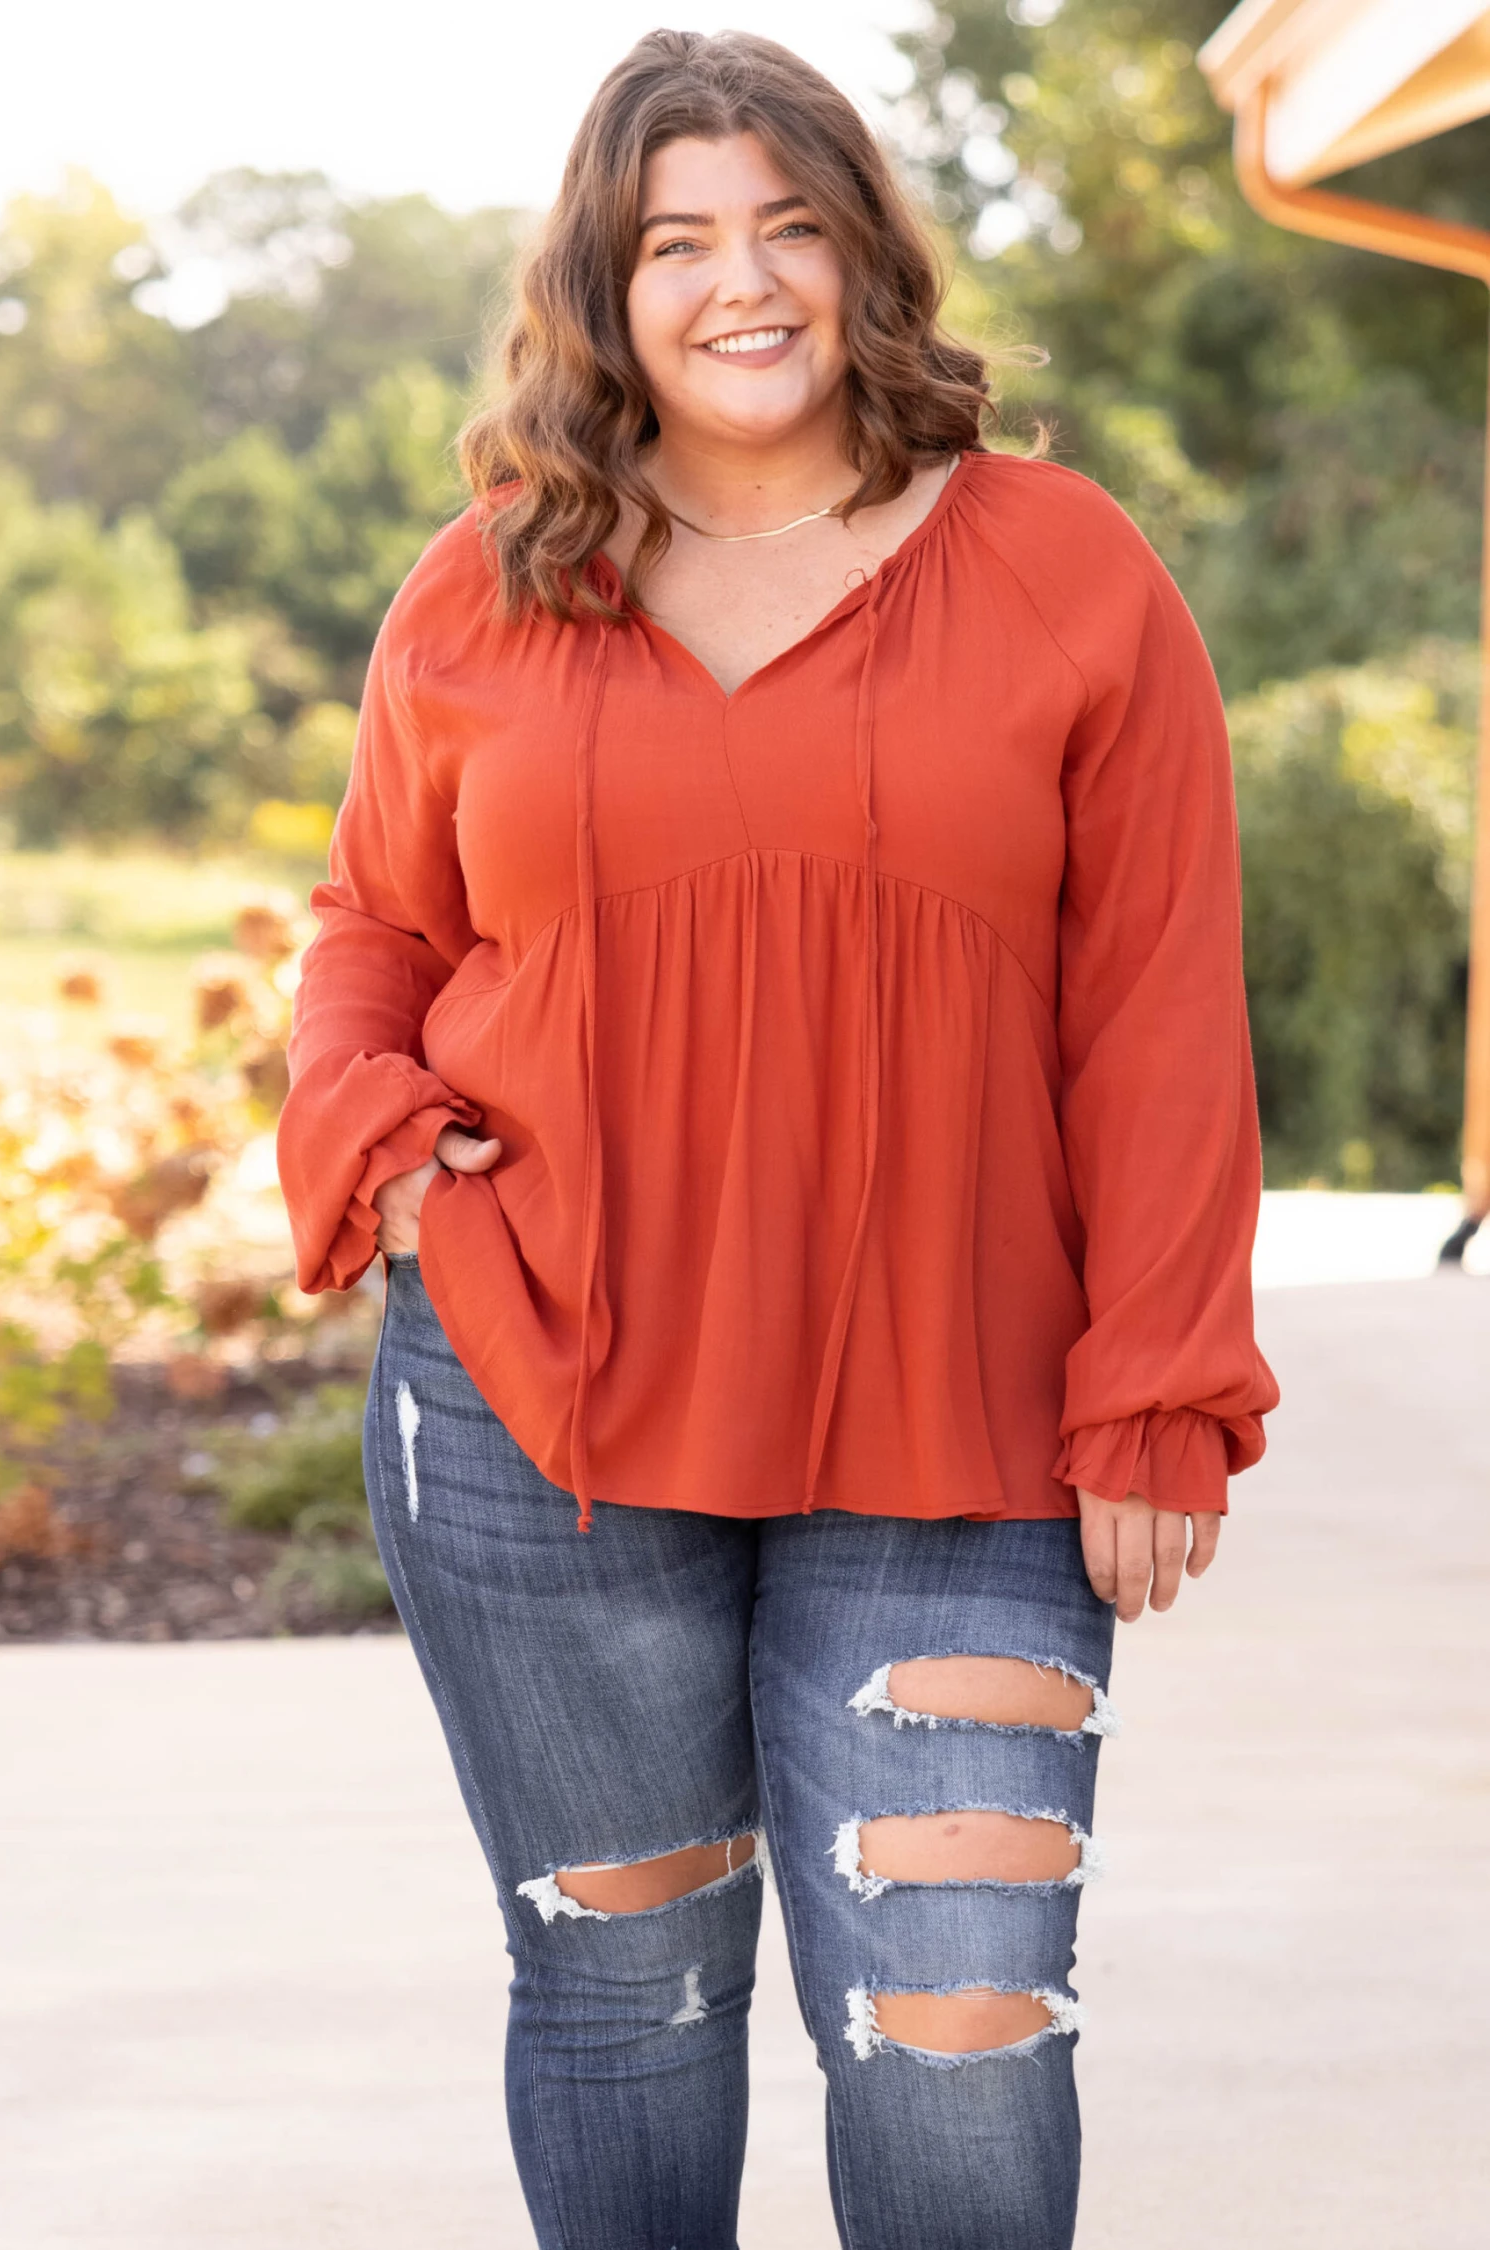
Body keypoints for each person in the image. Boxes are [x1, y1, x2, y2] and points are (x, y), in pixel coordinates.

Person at [278, 28, 1278, 2250]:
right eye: (680, 241)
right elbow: (376, 927)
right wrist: (391, 1160)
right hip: (541, 1411)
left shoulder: (1067, 569)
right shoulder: (488, 582)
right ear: (606, 287)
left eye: (791, 227)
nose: (742, 282)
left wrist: (1159, 1381)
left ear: (865, 260)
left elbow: (1158, 1004)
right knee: (622, 1995)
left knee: (957, 2026)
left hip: (971, 1425)